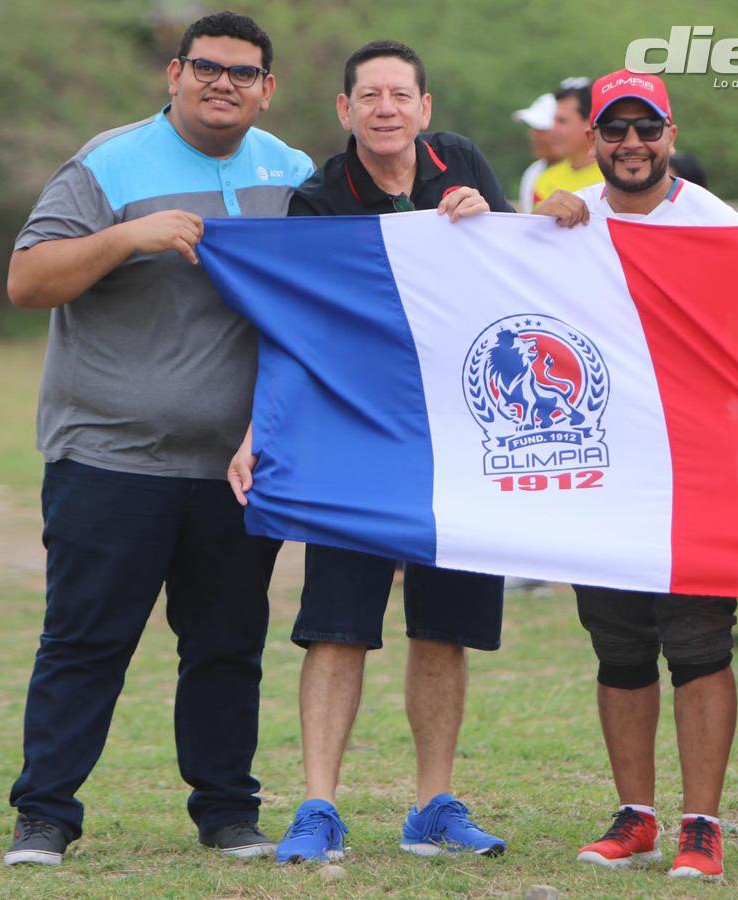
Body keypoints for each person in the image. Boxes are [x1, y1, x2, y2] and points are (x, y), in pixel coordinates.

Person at [2, 12, 313, 866]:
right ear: (173, 75)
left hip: (238, 467)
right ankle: (46, 817)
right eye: (206, 68)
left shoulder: (291, 173)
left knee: (226, 647)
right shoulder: (110, 163)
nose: (223, 84)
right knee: (85, 642)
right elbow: (27, 281)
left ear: (266, 88)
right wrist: (127, 235)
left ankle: (226, 813)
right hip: (108, 457)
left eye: (242, 73)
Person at [227, 39, 511, 865]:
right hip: (352, 435)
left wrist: (504, 221)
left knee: (445, 628)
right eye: (369, 96)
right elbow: (296, 325)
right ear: (345, 111)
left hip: (459, 436)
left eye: (401, 94)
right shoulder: (319, 198)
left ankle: (433, 807)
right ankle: (318, 807)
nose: (386, 107)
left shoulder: (461, 165)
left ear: (425, 110)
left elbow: (520, 278)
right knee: (337, 627)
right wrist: (260, 430)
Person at [534, 69, 738, 882]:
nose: (631, 145)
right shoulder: (564, 219)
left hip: (695, 466)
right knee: (618, 648)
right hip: (602, 471)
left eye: (646, 129)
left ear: (671, 135)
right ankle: (637, 815)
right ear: (592, 139)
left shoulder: (717, 224)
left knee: (699, 646)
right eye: (614, 131)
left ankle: (702, 824)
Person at [531, 77, 603, 205]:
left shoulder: (615, 179)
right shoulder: (543, 181)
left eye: (562, 121)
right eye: (554, 120)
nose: (553, 129)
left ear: (590, 122)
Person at [512, 92, 559, 212]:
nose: (533, 134)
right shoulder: (534, 172)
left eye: (541, 128)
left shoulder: (600, 170)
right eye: (532, 127)